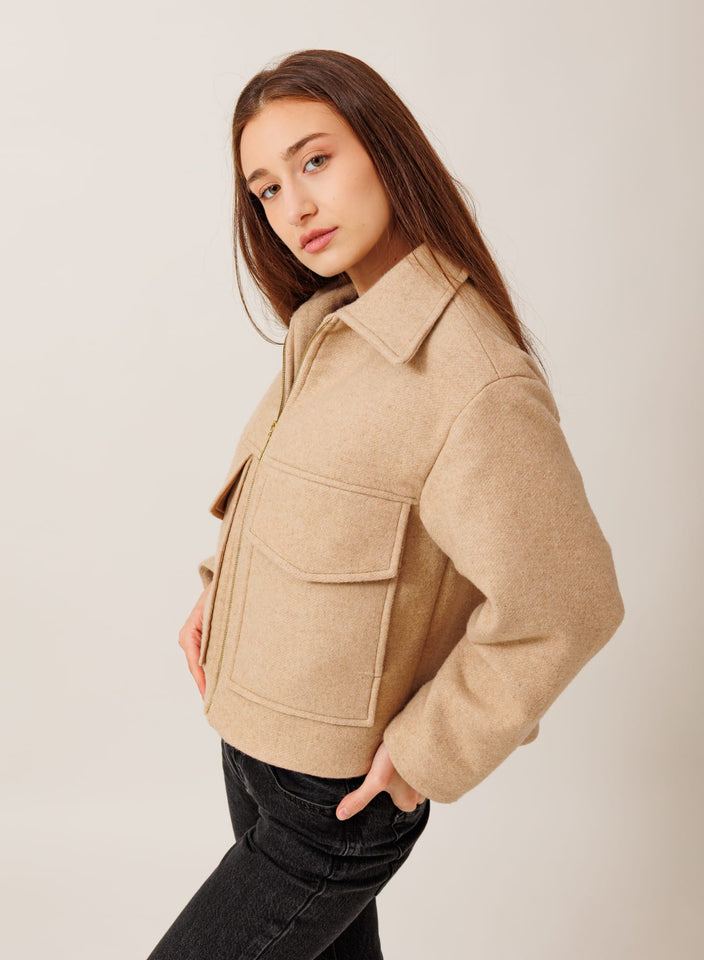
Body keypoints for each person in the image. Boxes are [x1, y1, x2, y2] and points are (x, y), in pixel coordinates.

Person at [146, 48, 625, 960]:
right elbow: (288, 491)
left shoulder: (473, 377)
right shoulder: (328, 326)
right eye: (266, 189)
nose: (294, 207)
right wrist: (220, 592)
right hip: (250, 746)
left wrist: (426, 752)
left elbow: (569, 603)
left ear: (385, 149)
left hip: (336, 800)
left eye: (314, 160)